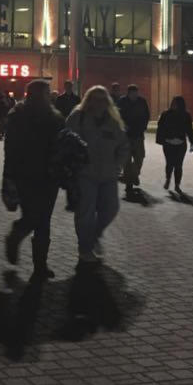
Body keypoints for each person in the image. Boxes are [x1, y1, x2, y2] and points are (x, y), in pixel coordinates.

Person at [2, 79, 66, 280]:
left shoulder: (17, 115)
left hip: (24, 173)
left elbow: (9, 148)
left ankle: (36, 258)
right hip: (46, 175)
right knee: (41, 219)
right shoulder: (53, 118)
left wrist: (9, 173)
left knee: (34, 216)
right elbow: (60, 146)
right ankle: (37, 262)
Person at [66, 86, 130, 262]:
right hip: (84, 174)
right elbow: (67, 141)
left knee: (111, 209)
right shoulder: (78, 117)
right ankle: (84, 249)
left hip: (108, 174)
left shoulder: (113, 120)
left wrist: (118, 164)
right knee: (85, 213)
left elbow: (123, 145)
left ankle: (94, 236)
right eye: (95, 98)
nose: (99, 102)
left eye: (103, 99)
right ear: (88, 99)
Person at [155, 96, 193, 193]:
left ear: (181, 105)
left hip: (181, 144)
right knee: (169, 163)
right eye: (173, 103)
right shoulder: (165, 114)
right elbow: (160, 127)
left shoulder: (186, 115)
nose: (174, 105)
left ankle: (177, 185)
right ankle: (168, 179)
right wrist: (160, 140)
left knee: (178, 165)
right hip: (168, 143)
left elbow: (189, 130)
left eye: (176, 103)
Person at [116, 84, 150, 200]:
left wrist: (143, 127)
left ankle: (134, 175)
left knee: (140, 157)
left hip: (138, 135)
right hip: (125, 136)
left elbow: (147, 115)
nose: (135, 96)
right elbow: (117, 115)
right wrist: (122, 125)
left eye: (136, 93)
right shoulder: (122, 101)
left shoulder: (142, 102)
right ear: (128, 93)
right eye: (133, 94)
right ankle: (129, 184)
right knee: (127, 160)